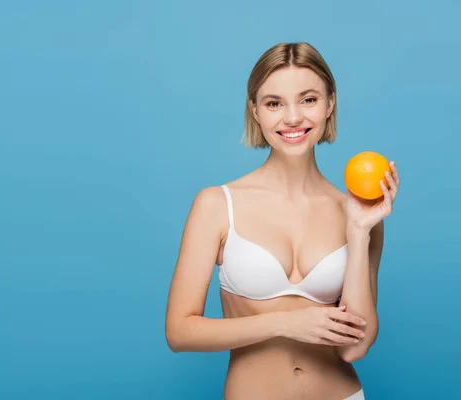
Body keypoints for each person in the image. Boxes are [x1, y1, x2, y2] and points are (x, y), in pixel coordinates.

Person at [164, 42, 400, 400]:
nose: (293, 118)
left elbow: (354, 349)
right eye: (274, 103)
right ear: (255, 111)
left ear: (330, 104)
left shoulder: (359, 212)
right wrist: (287, 323)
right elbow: (179, 333)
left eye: (308, 100)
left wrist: (359, 230)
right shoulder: (216, 204)